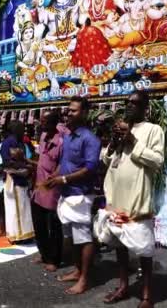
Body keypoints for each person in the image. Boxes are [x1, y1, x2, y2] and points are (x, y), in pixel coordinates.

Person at [95, 91, 165, 308]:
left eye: (135, 103)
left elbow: (157, 161)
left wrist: (133, 141)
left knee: (144, 250)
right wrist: (115, 143)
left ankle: (146, 295)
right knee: (119, 246)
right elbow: (106, 159)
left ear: (145, 108)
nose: (129, 106)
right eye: (127, 102)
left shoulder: (153, 130)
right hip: (117, 199)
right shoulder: (121, 127)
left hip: (137, 200)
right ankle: (123, 286)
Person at [44, 96, 101, 295]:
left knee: (84, 238)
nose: (69, 113)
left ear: (84, 113)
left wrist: (65, 179)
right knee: (72, 237)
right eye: (68, 110)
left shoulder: (90, 139)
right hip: (65, 195)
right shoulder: (68, 136)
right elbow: (65, 161)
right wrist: (56, 174)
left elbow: (90, 169)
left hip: (81, 195)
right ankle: (77, 271)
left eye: (74, 110)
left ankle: (85, 279)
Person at [29, 110, 64, 272]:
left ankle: (54, 259)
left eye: (45, 122)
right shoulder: (42, 137)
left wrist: (52, 179)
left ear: (54, 123)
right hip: (38, 187)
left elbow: (62, 166)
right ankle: (44, 254)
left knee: (53, 226)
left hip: (52, 188)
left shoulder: (61, 141)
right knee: (38, 224)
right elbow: (39, 160)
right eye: (41, 121)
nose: (41, 124)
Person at [0, 120, 35, 243]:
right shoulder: (8, 143)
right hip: (14, 179)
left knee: (23, 206)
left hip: (22, 178)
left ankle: (25, 234)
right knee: (16, 208)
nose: (23, 130)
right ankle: (18, 235)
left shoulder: (20, 142)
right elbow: (6, 162)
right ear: (15, 130)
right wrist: (24, 166)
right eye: (21, 128)